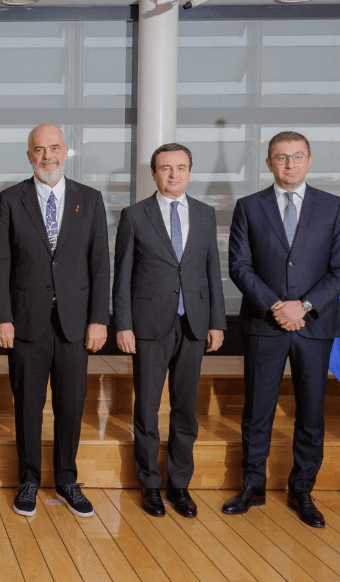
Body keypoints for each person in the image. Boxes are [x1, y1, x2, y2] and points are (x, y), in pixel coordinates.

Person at [225, 131, 340, 528]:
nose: (290, 164)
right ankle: (252, 485)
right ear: (269, 163)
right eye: (281, 157)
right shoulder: (249, 207)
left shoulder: (333, 208)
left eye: (297, 156)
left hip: (314, 325)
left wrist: (305, 305)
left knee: (311, 412)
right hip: (265, 324)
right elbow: (239, 266)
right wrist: (278, 306)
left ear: (309, 160)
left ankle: (302, 489)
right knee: (257, 410)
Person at [0, 123, 110, 518]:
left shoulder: (89, 199)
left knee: (71, 405)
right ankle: (28, 479)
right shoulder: (10, 199)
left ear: (66, 151)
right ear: (29, 156)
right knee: (27, 405)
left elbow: (99, 265)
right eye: (39, 150)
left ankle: (67, 480)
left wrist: (99, 319)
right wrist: (2, 316)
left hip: (75, 324)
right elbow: (1, 264)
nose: (47, 157)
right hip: (26, 322)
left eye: (54, 148)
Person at [112, 143, 226, 519]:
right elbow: (123, 276)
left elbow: (212, 272)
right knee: (146, 407)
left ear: (190, 172)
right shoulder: (134, 215)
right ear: (154, 173)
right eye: (165, 168)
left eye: (180, 168)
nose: (173, 175)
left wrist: (217, 322)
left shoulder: (206, 214)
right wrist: (123, 325)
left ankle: (179, 484)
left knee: (185, 409)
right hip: (147, 325)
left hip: (194, 323)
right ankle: (149, 485)